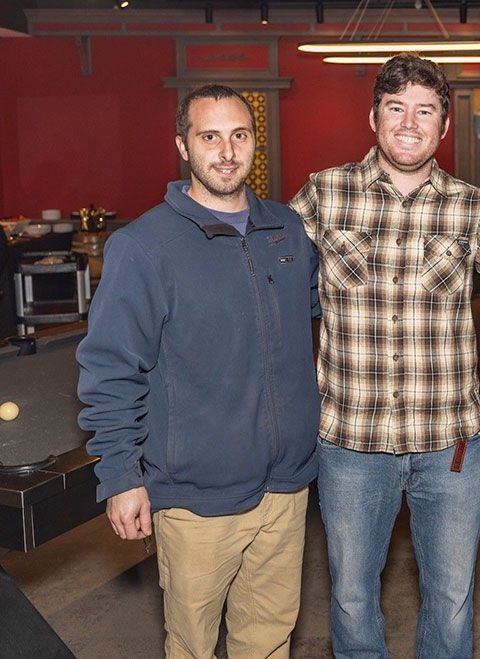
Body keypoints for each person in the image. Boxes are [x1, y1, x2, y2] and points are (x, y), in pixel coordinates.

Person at [77, 84, 321, 658]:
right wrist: (121, 475)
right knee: (192, 645)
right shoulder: (144, 247)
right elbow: (112, 367)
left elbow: (322, 317)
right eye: (210, 137)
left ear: (255, 143)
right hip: (195, 497)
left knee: (268, 639)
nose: (227, 152)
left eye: (239, 136)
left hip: (286, 486)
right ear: (183, 146)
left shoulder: (285, 229)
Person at [289, 54, 480, 658]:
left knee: (452, 598)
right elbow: (268, 289)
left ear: (443, 126)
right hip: (350, 442)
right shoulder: (325, 194)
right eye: (397, 108)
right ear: (373, 117)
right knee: (352, 597)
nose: (410, 123)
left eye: (425, 110)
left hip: (452, 442)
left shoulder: (475, 207)